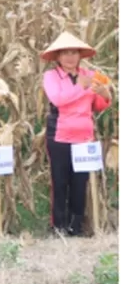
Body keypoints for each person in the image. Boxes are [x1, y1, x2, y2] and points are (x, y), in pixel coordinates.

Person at [41, 32, 112, 237]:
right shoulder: (51, 76)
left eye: (74, 53)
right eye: (65, 53)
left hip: (84, 136)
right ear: (58, 57)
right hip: (60, 135)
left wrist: (105, 94)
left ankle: (76, 226)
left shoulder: (90, 75)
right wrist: (80, 87)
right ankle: (58, 226)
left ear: (80, 55)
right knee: (60, 181)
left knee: (80, 183)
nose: (70, 57)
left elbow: (98, 106)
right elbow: (58, 99)